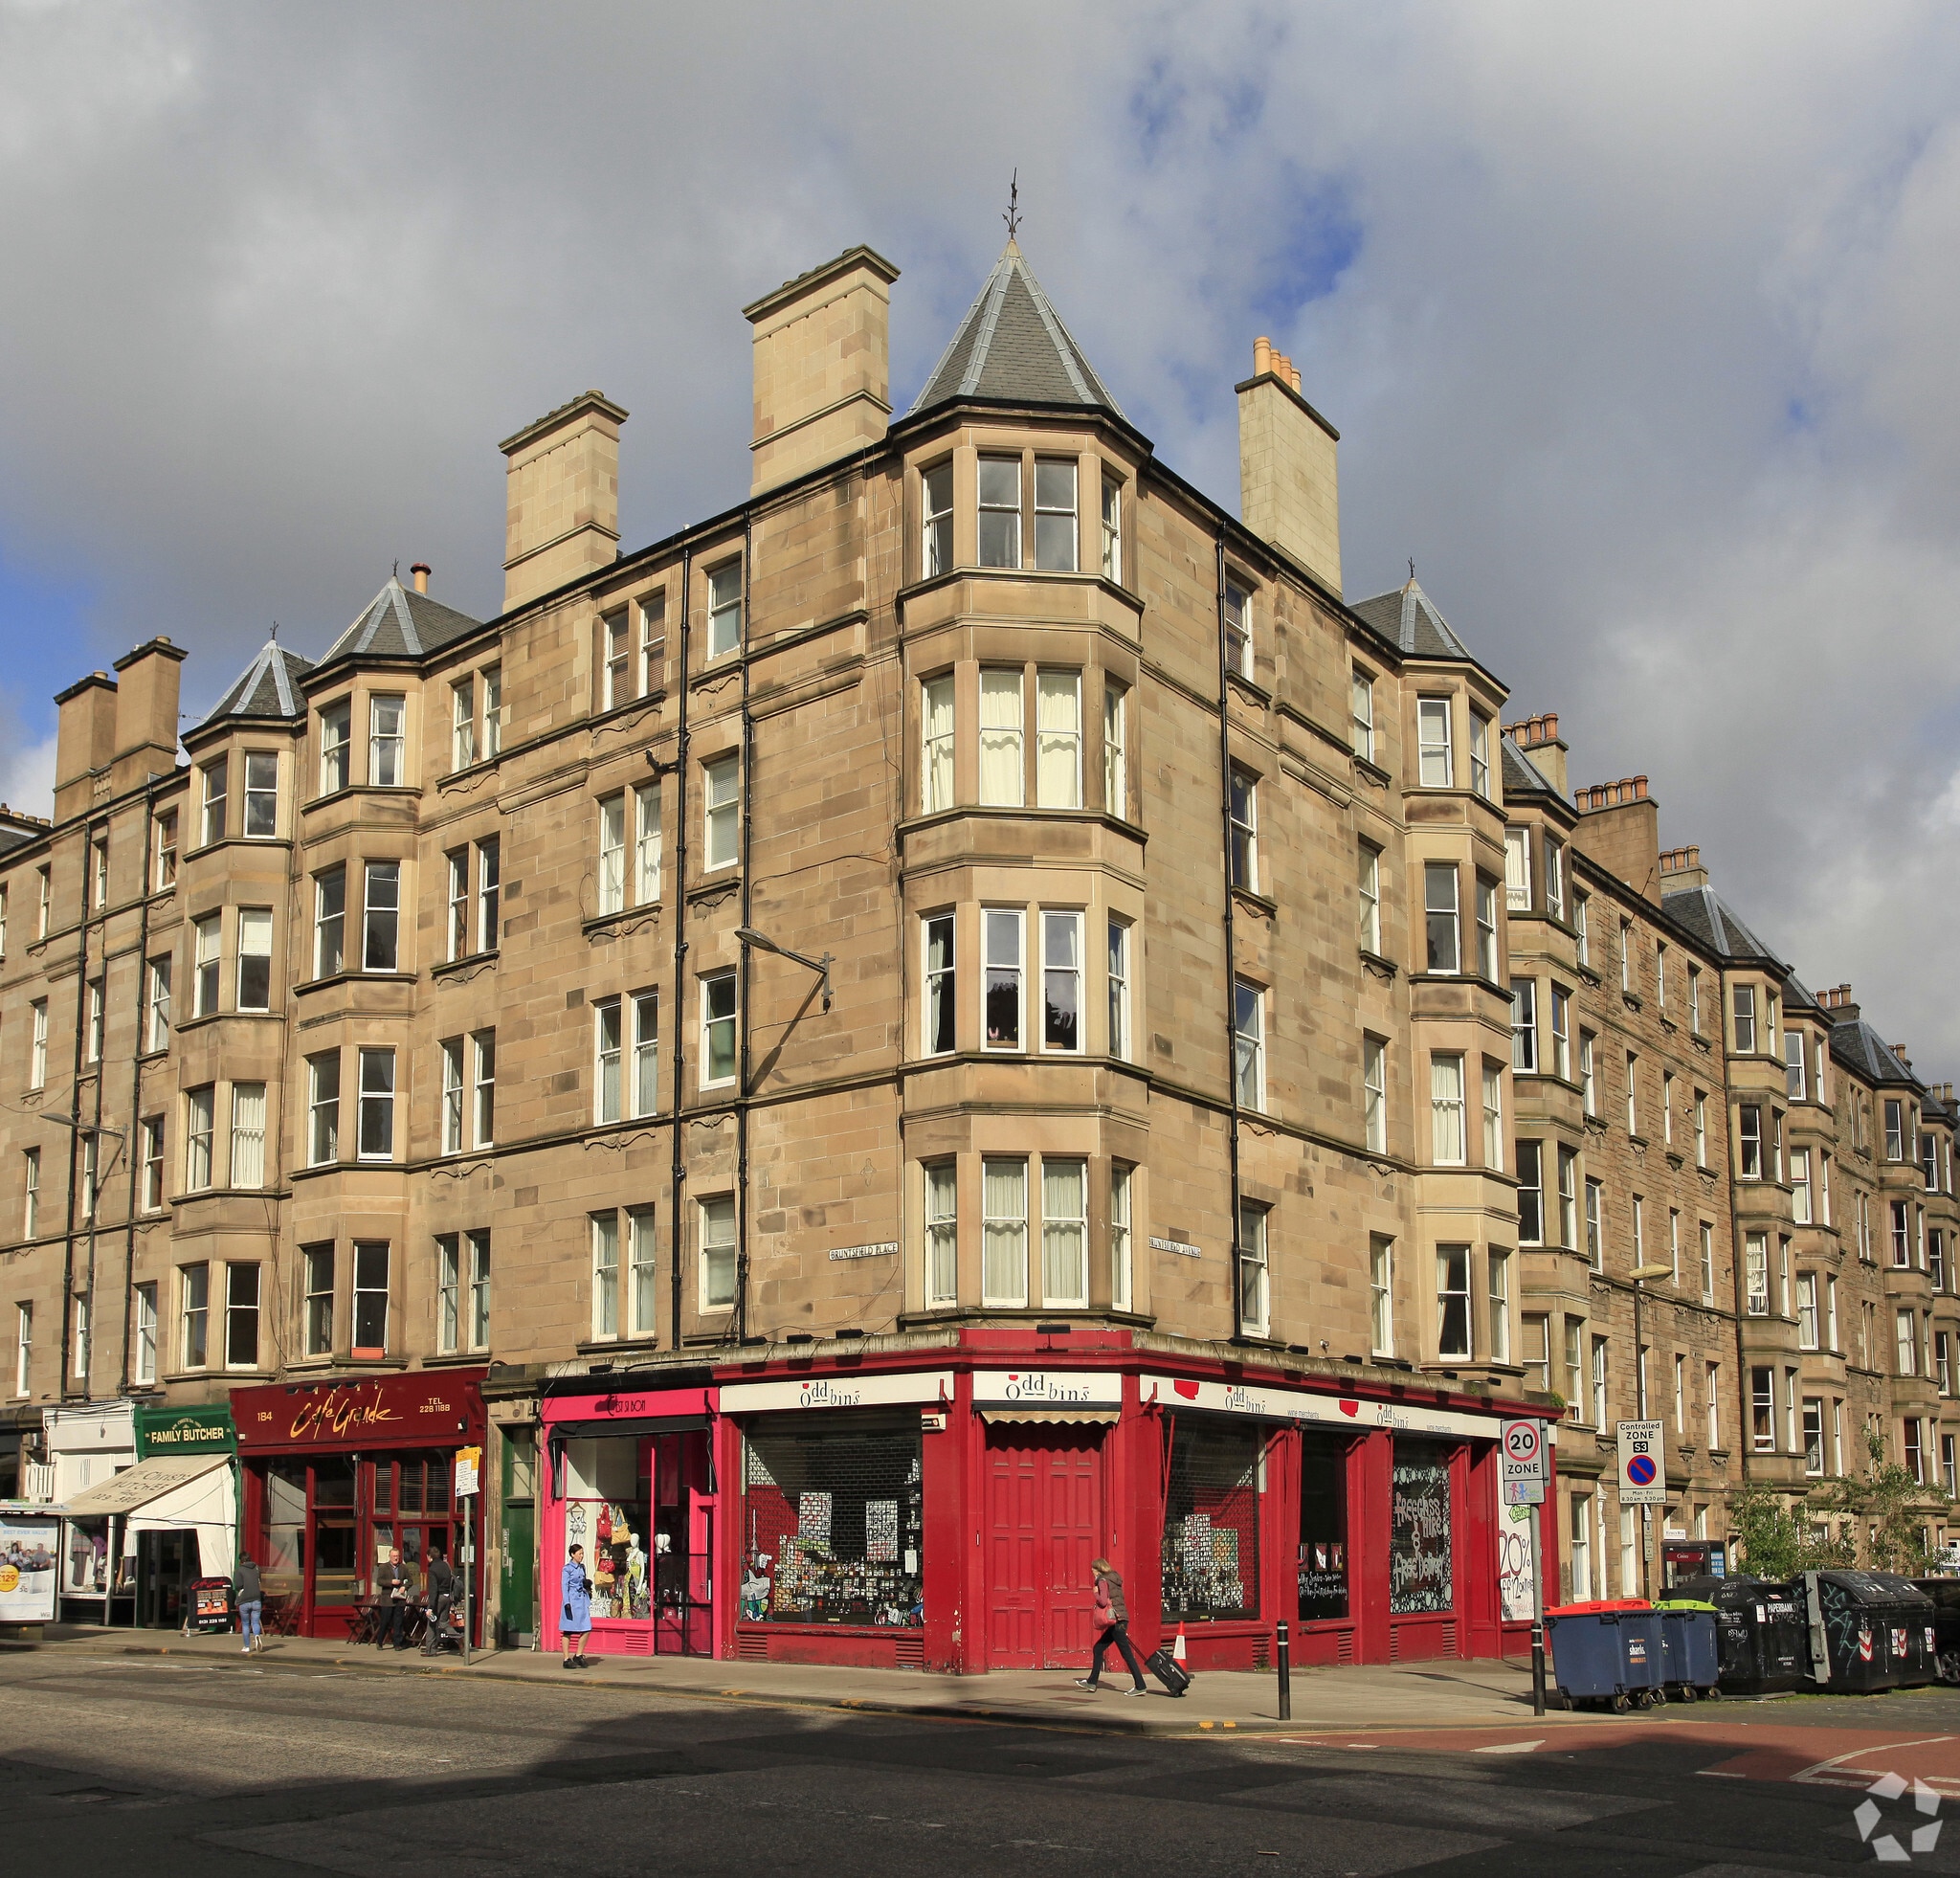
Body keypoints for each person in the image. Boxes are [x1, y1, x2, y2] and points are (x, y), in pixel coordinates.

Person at [1074, 1557, 1147, 1696]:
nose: (1092, 1573)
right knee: (1099, 1648)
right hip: (1121, 1618)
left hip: (1116, 1621)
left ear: (1098, 1569)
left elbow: (1102, 1602)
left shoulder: (1102, 1581)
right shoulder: (1114, 1578)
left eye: (1093, 1570)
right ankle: (1091, 1682)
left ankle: (1140, 1685)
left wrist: (1095, 1592)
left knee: (1126, 1654)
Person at [420, 1550, 457, 1656]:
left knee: (431, 1623)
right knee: (443, 1622)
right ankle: (459, 1637)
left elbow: (433, 1589)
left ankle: (431, 1650)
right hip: (447, 1597)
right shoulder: (446, 1566)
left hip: (438, 1598)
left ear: (429, 1556)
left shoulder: (432, 1569)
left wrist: (431, 1606)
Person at [562, 1542, 592, 1668]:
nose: (582, 1556)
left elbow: (582, 1582)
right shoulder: (567, 1569)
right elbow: (564, 1587)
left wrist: (587, 1586)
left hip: (582, 1601)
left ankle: (578, 1655)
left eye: (582, 1553)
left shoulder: (582, 1567)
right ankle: (566, 1658)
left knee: (587, 1628)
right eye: (579, 1553)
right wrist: (566, 1602)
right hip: (572, 1602)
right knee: (568, 1631)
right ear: (572, 1554)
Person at [374, 1547, 411, 1650]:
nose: (396, 1558)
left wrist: (404, 1586)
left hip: (399, 1599)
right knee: (385, 1621)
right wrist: (391, 1582)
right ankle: (380, 1641)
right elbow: (379, 1581)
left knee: (398, 1622)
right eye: (394, 1556)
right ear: (389, 1557)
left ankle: (397, 1644)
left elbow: (410, 1580)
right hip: (388, 1600)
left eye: (397, 1556)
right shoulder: (383, 1567)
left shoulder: (403, 1568)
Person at [234, 1554, 263, 1655]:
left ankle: (247, 1646)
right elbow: (260, 1581)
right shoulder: (256, 1568)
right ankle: (256, 1636)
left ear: (241, 1561)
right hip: (256, 1599)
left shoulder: (239, 1570)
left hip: (244, 1600)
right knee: (255, 1622)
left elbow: (238, 1585)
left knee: (246, 1624)